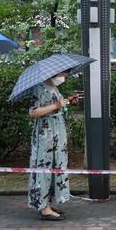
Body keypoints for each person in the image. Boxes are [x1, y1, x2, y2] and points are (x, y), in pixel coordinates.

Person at [27, 71, 81, 220]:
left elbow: (55, 106)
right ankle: (44, 207)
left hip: (56, 132)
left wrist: (68, 101)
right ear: (54, 72)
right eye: (64, 73)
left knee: (55, 166)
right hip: (46, 134)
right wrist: (57, 104)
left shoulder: (52, 86)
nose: (65, 76)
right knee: (45, 167)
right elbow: (33, 112)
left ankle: (47, 203)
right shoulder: (39, 87)